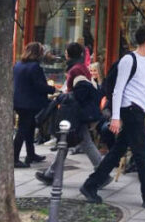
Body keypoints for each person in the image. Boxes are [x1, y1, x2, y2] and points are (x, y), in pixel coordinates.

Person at [79, 25, 145, 208]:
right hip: (129, 110)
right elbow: (118, 88)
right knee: (142, 151)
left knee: (117, 151)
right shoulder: (129, 60)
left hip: (137, 111)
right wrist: (115, 117)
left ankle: (90, 185)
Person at [36, 42, 102, 184]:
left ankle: (102, 172)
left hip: (74, 111)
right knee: (68, 143)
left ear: (69, 54)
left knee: (75, 142)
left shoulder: (75, 70)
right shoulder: (81, 67)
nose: (64, 55)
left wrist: (63, 96)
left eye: (66, 52)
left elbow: (79, 92)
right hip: (79, 110)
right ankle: (51, 173)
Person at [13, 42, 55, 168]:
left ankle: (31, 154)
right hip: (29, 103)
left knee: (29, 128)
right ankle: (14, 157)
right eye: (41, 52)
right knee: (23, 130)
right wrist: (52, 89)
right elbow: (39, 86)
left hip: (19, 101)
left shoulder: (18, 65)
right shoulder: (35, 67)